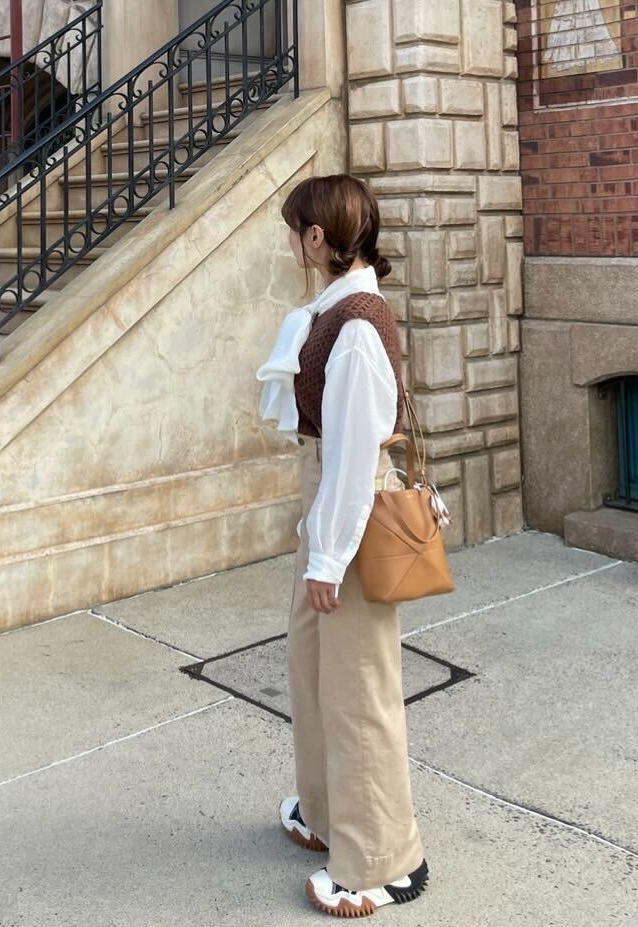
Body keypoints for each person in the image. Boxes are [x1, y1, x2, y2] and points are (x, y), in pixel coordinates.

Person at [256, 174, 428, 917]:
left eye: (294, 230)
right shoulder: (333, 309)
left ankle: (386, 861)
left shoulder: (357, 327)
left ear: (317, 237)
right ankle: (327, 813)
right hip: (326, 507)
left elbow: (356, 456)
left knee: (359, 688)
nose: (289, 242)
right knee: (314, 668)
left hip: (348, 516)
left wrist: (328, 556)